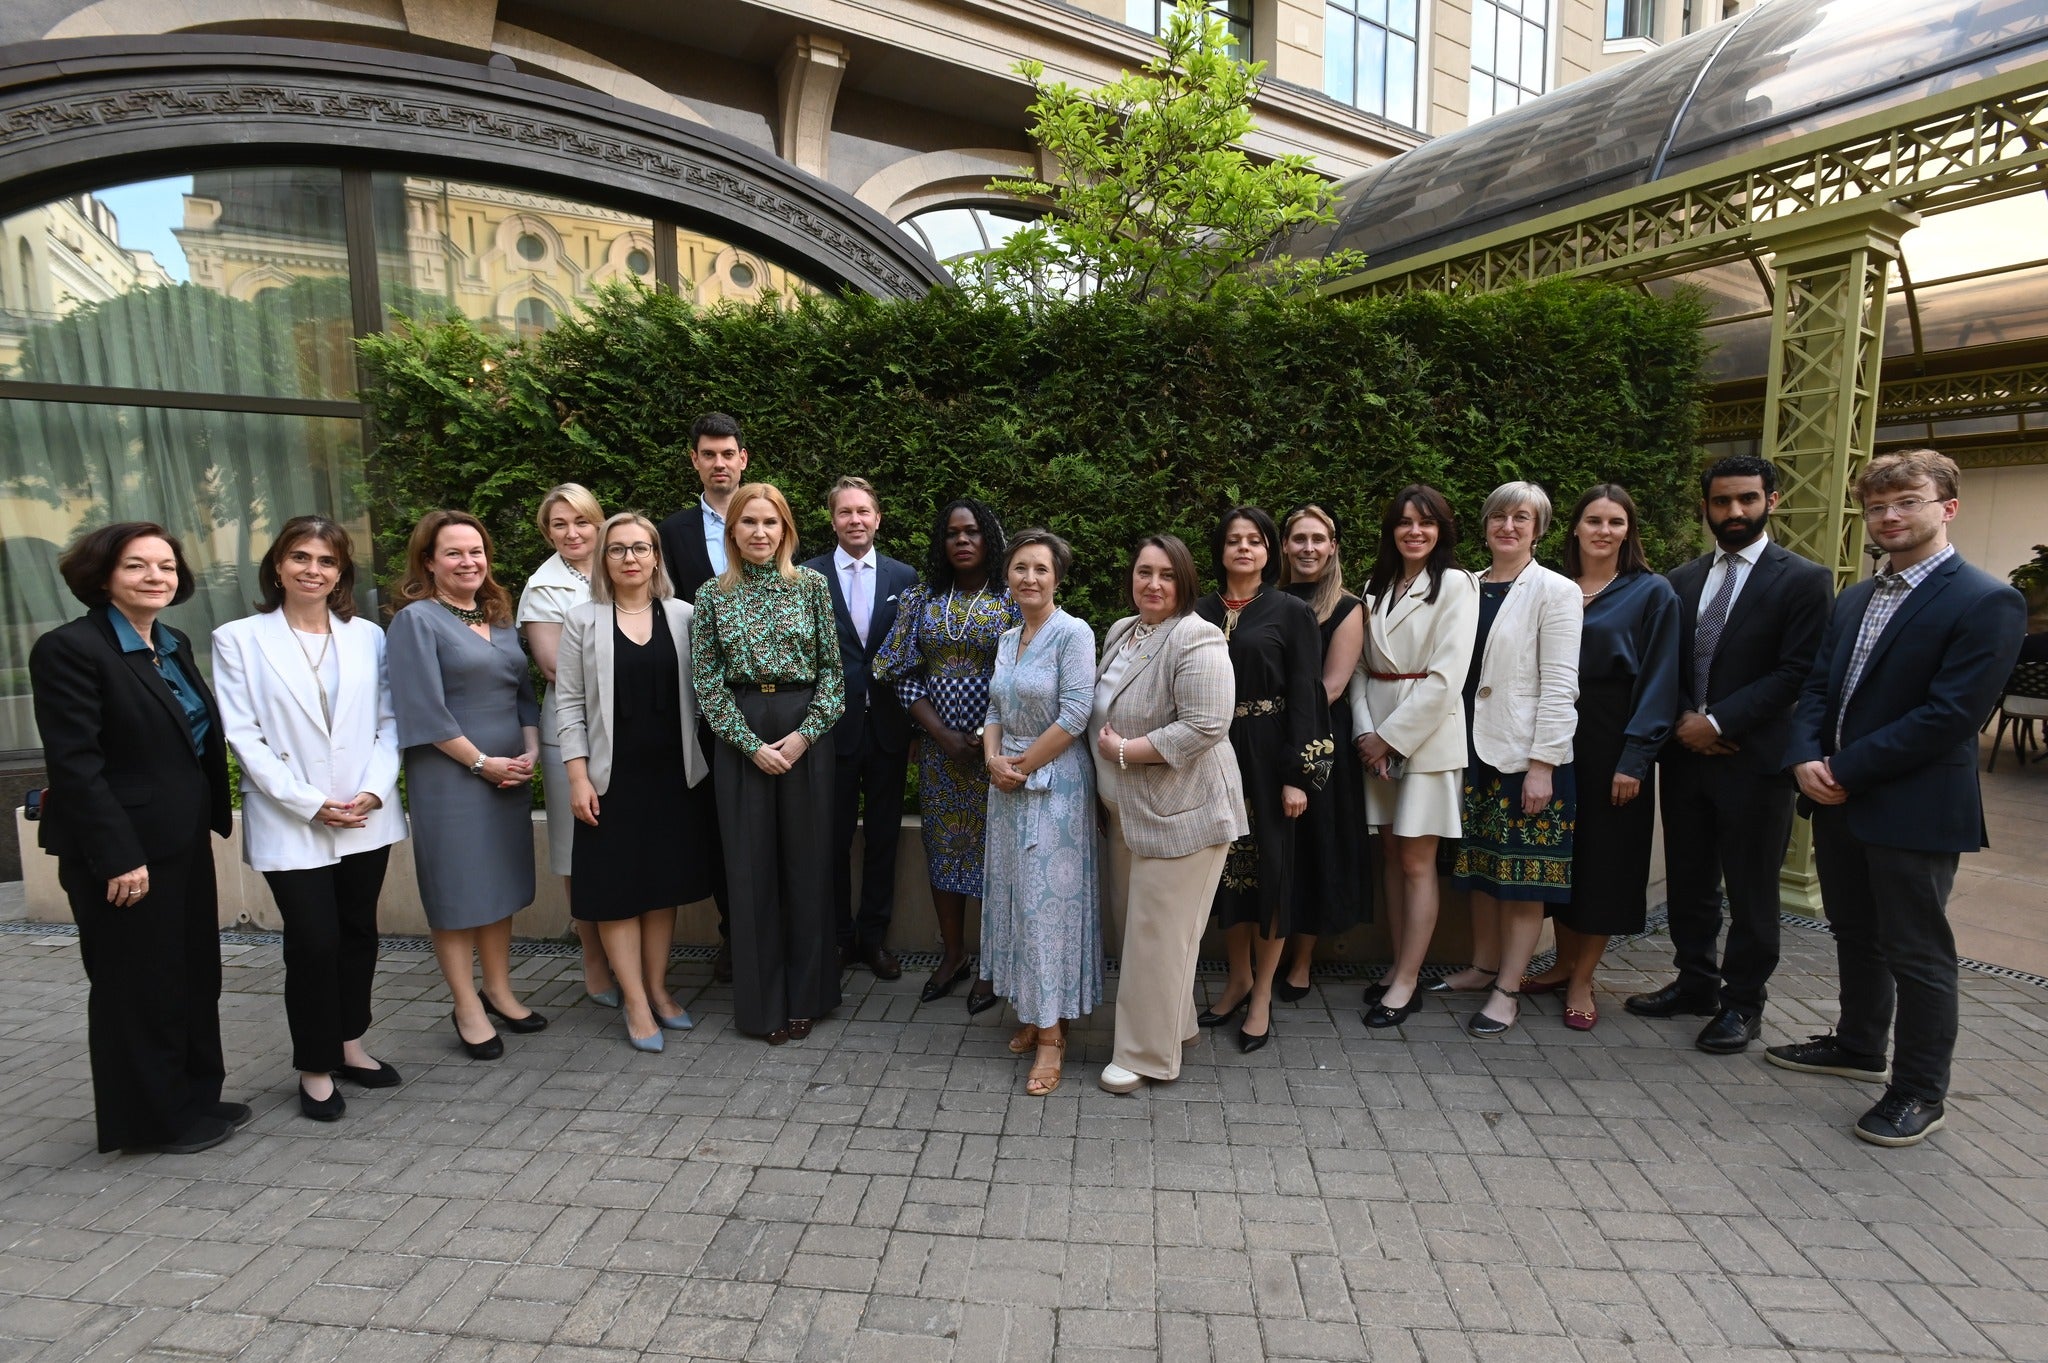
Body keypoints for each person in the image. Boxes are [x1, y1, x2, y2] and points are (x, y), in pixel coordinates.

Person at [1777, 449, 2026, 1147]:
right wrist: (1802, 755)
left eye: (1906, 502)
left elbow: (1950, 716)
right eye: (1877, 506)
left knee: (1917, 951)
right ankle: (1859, 1043)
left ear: (1947, 506)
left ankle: (1919, 1089)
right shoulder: (1856, 595)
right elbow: (1818, 688)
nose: (1889, 516)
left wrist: (1844, 767)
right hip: (1837, 796)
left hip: (1913, 806)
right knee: (1853, 931)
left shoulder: (1986, 600)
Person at [31, 523, 240, 1154]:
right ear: (102, 576)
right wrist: (118, 856)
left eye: (167, 566)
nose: (157, 577)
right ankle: (151, 1122)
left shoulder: (169, 642)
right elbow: (76, 765)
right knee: (138, 987)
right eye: (137, 566)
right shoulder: (70, 649)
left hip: (181, 838)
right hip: (124, 851)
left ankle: (194, 1097)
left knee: (193, 975)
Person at [1626, 454, 1833, 1055]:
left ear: (1771, 500)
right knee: (1689, 883)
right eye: (1722, 502)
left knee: (1749, 890)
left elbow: (1799, 670)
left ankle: (1744, 1005)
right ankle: (1695, 984)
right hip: (1688, 758)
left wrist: (1717, 720)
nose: (1734, 511)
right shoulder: (1680, 580)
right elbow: (1663, 662)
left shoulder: (1803, 579)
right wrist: (1690, 721)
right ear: (1706, 508)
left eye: (1746, 499)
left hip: (1755, 759)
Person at [212, 516, 407, 1121]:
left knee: (357, 933)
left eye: (326, 561)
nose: (312, 570)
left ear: (341, 572)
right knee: (314, 941)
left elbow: (389, 720)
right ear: (277, 565)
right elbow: (242, 735)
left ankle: (351, 1043)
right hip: (291, 817)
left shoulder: (368, 636)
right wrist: (307, 801)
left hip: (363, 813)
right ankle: (315, 1065)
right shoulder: (238, 638)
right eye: (300, 558)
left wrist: (374, 791)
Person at [386, 510, 546, 1060]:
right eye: (453, 552)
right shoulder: (416, 621)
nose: (468, 561)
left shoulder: (500, 618)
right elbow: (422, 712)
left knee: (497, 886)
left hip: (508, 775)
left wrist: (529, 750)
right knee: (457, 894)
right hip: (452, 778)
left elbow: (525, 695)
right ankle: (465, 1005)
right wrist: (482, 764)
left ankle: (498, 990)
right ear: (428, 561)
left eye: (475, 551)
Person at [1519, 486, 1679, 1031]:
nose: (1603, 531)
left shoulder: (1652, 592)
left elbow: (1660, 680)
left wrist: (1635, 758)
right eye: (1593, 520)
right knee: (1565, 857)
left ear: (1629, 531)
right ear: (1575, 528)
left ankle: (1584, 976)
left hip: (1614, 736)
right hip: (1553, 736)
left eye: (1615, 522)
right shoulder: (1553, 588)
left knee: (1606, 862)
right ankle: (1561, 962)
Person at [691, 482, 845, 1043]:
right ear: (732, 530)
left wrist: (803, 737)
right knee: (750, 873)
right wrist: (749, 743)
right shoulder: (711, 595)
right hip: (742, 738)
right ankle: (761, 1007)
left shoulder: (812, 587)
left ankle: (809, 995)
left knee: (806, 867)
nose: (760, 532)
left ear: (786, 529)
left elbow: (834, 673)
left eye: (771, 522)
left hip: (806, 734)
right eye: (749, 522)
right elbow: (707, 685)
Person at [556, 513, 713, 1052]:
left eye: (640, 548)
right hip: (609, 781)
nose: (630, 558)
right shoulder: (582, 621)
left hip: (674, 777)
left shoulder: (686, 616)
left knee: (660, 891)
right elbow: (569, 706)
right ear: (604, 559)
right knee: (619, 895)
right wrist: (577, 777)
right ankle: (636, 1002)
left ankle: (658, 987)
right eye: (618, 549)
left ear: (656, 557)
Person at [1095, 535, 1246, 1094]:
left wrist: (1125, 752)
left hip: (1183, 813)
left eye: (1165, 574)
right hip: (1129, 811)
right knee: (1145, 934)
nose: (1152, 584)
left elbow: (1207, 723)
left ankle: (1143, 1056)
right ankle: (1173, 1027)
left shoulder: (1197, 635)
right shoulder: (1121, 631)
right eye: (1143, 573)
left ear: (1184, 581)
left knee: (1158, 938)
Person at [873, 499, 1021, 1013]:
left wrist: (986, 738)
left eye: (973, 532)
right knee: (945, 853)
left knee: (993, 857)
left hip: (999, 755)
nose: (962, 541)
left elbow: (1030, 672)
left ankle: (991, 964)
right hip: (940, 754)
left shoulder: (1012, 599)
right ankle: (953, 954)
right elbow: (897, 669)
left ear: (990, 541)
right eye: (953, 533)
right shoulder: (920, 600)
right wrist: (940, 733)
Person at [1192, 507, 1331, 1055]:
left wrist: (1299, 776)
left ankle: (1262, 996)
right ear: (1220, 551)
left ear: (1270, 551)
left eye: (1254, 541)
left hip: (1271, 754)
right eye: (1233, 541)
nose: (1243, 549)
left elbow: (1307, 695)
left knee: (1271, 874)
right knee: (1227, 872)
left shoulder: (1291, 611)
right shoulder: (1197, 611)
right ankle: (1236, 979)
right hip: (1209, 753)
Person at [1447, 482, 1582, 1038]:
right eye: (1498, 515)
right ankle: (1481, 967)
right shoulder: (1463, 589)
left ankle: (1508, 989)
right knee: (1481, 869)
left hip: (1525, 756)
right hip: (1467, 749)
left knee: (1524, 878)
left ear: (1539, 528)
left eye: (1521, 517)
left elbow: (1560, 682)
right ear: (1485, 524)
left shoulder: (1557, 590)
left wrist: (1544, 763)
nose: (1508, 526)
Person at [1346, 486, 1479, 1028]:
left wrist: (1392, 739)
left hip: (1426, 739)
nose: (1414, 532)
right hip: (1374, 732)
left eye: (1426, 523)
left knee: (1418, 861)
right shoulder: (1374, 586)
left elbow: (1448, 678)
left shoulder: (1456, 584)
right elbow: (1356, 668)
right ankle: (1397, 965)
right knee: (1392, 859)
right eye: (1404, 523)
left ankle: (1407, 980)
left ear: (1442, 529)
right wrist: (1366, 735)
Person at [981, 530, 1099, 1097]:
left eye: (1041, 569)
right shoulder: (1007, 638)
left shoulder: (1074, 633)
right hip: (1008, 781)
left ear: (1057, 577)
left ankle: (1053, 1038)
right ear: (1008, 576)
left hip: (1055, 786)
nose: (1029, 577)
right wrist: (991, 760)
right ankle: (1035, 1010)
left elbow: (1077, 713)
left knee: (1046, 906)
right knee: (1017, 900)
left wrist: (1020, 765)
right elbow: (994, 708)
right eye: (1020, 568)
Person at [802, 477, 918, 979]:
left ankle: (874, 938)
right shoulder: (807, 576)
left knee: (884, 838)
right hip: (832, 728)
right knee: (831, 837)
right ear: (833, 520)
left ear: (878, 517)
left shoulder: (903, 576)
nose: (855, 520)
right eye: (845, 512)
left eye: (863, 511)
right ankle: (839, 939)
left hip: (889, 729)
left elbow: (913, 655)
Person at [656, 412, 744, 982]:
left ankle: (769, 930)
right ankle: (732, 934)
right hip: (702, 701)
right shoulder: (671, 532)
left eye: (727, 453)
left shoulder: (770, 520)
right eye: (708, 454)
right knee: (719, 822)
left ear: (743, 459)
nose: (718, 463)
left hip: (772, 702)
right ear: (695, 460)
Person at [517, 483, 612, 1006]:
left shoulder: (624, 564)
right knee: (578, 854)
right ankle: (595, 965)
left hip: (629, 733)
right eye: (559, 524)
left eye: (581, 521)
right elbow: (555, 669)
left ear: (598, 523)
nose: (572, 533)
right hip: (572, 736)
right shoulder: (543, 588)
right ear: (547, 531)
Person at [1274, 504, 1368, 1000]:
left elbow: (1330, 687)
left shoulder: (1348, 608)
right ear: (1285, 546)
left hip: (1318, 742)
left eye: (1318, 539)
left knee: (1312, 848)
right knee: (1273, 849)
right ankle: (1267, 951)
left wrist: (1277, 716)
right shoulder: (1268, 599)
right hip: (1268, 738)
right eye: (1298, 539)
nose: (1308, 548)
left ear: (1333, 547)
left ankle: (1302, 962)